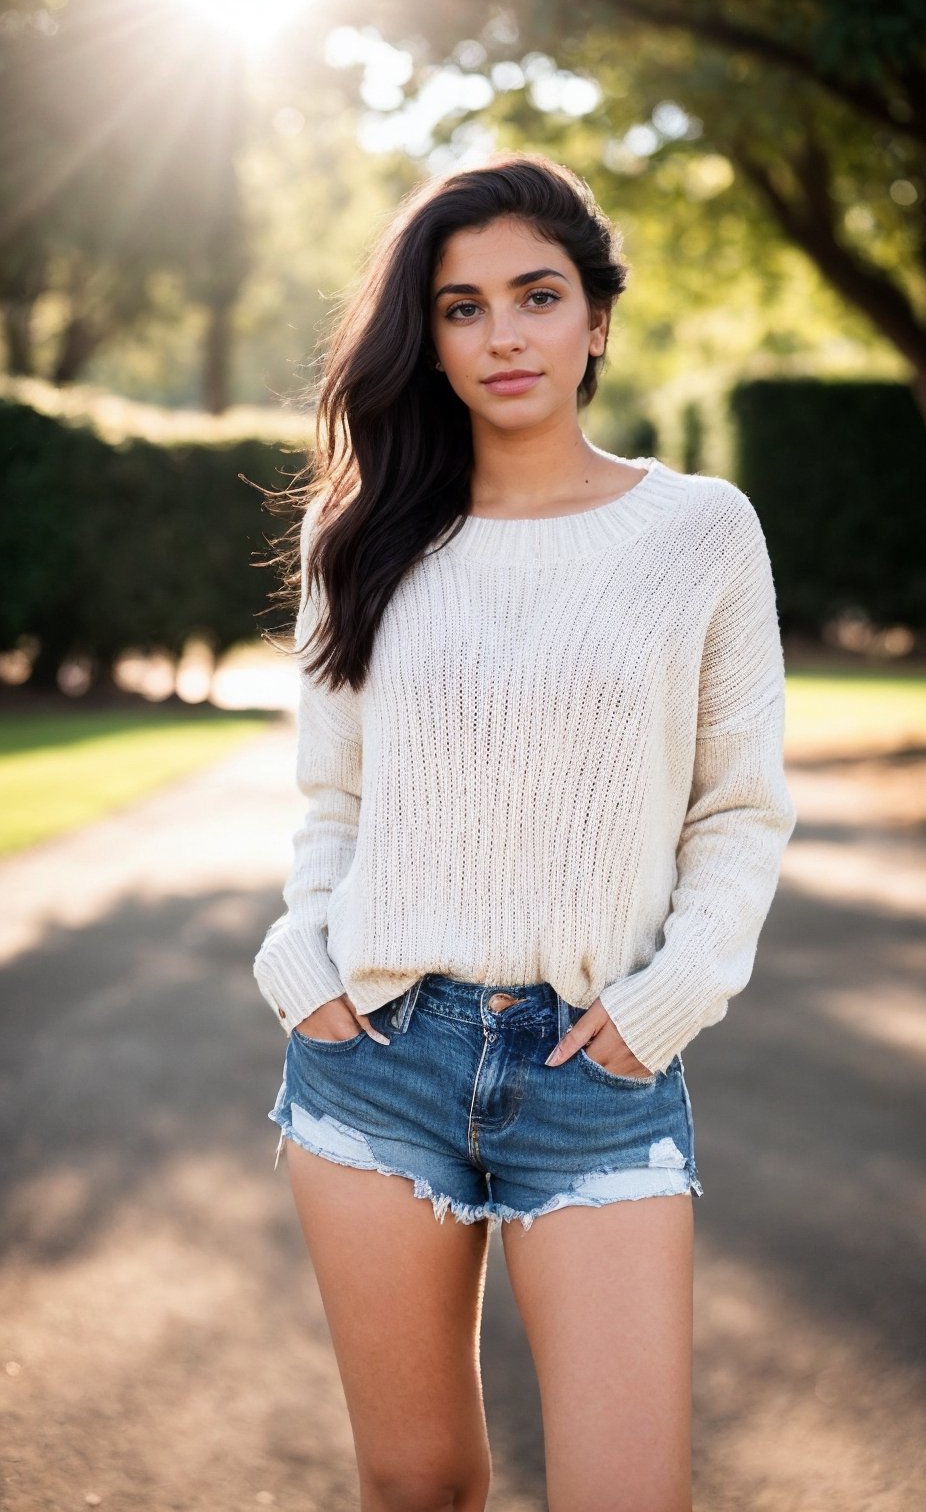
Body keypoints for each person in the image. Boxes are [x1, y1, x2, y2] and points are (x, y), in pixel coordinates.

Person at [254, 149, 797, 1512]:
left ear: (596, 319)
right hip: (376, 1055)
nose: (503, 335)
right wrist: (301, 961)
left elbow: (738, 808)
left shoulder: (702, 533)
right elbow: (335, 800)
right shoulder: (360, 531)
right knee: (421, 1482)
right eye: (461, 307)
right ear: (427, 342)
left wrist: (676, 994)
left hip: (595, 1070)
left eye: (538, 296)